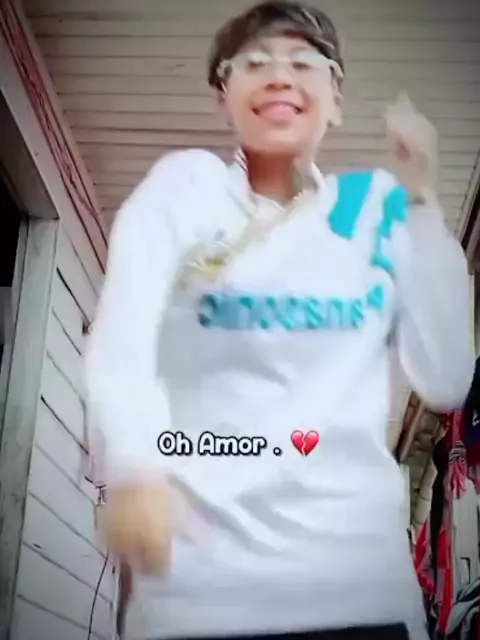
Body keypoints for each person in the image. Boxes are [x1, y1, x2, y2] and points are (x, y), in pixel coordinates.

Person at [84, 2, 475, 639]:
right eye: (254, 63)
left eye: (304, 63)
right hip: (200, 595)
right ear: (223, 97)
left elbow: (447, 375)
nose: (279, 76)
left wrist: (423, 201)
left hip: (360, 595)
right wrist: (131, 467)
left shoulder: (373, 208)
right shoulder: (183, 192)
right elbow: (123, 342)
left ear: (336, 98)